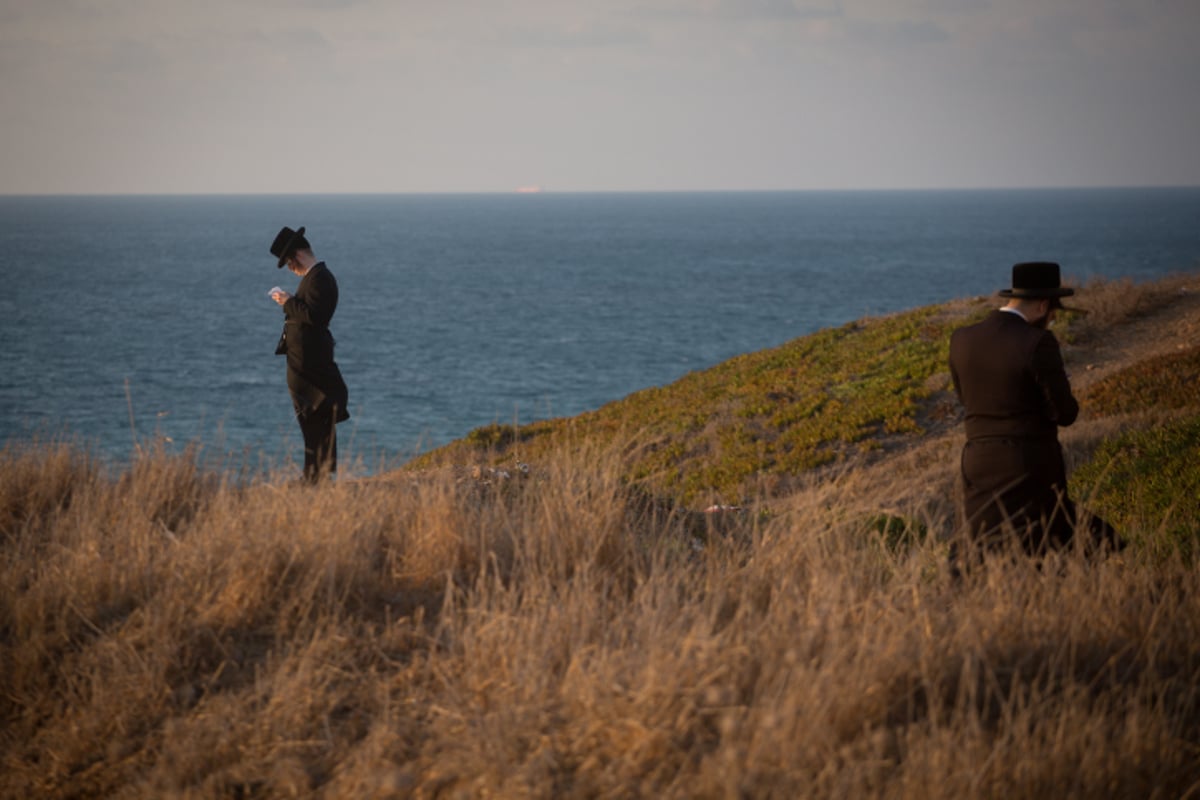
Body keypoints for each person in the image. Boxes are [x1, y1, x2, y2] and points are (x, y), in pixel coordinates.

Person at [948, 261, 1119, 566]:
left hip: (976, 461)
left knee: (980, 545)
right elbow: (1064, 413)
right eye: (1053, 315)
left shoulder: (962, 339)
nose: (1052, 321)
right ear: (1042, 306)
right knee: (1077, 544)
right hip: (1027, 465)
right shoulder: (1038, 342)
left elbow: (967, 400)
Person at [269, 226, 350, 483]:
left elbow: (315, 317)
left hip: (311, 366)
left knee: (314, 418)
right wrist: (292, 302)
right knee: (312, 418)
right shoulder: (314, 278)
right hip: (306, 364)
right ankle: (316, 474)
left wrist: (288, 302)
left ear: (298, 255)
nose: (290, 268)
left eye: (288, 262)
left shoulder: (321, 278)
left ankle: (315, 476)